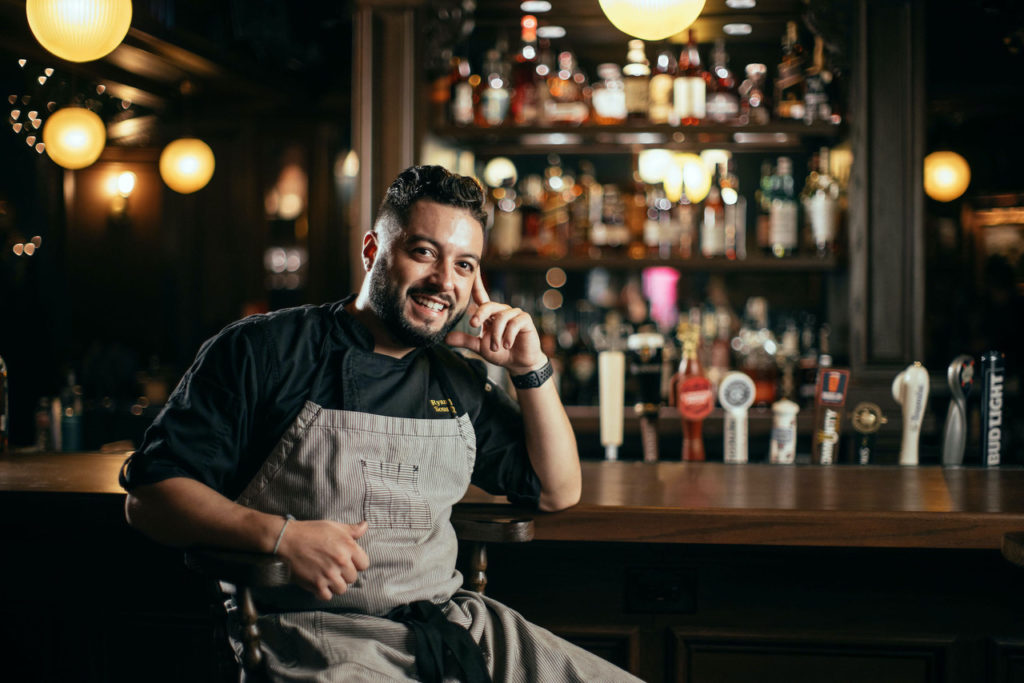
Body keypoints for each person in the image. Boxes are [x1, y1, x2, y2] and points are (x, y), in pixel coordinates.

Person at [121, 165, 642, 682]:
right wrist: (282, 537)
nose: (444, 281)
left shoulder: (457, 380)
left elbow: (557, 491)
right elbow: (150, 497)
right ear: (373, 251)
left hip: (455, 630)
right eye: (424, 253)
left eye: (465, 265)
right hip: (318, 638)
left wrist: (531, 369)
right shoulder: (265, 350)